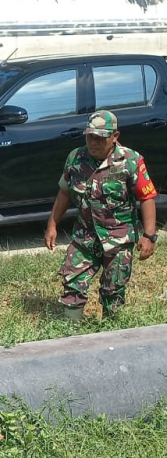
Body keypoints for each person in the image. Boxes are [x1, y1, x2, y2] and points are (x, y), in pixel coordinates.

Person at [45, 110, 158, 320]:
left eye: (100, 138)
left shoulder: (130, 160)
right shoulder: (75, 158)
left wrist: (149, 235)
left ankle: (110, 330)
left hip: (119, 237)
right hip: (85, 236)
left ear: (115, 136)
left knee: (113, 288)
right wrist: (52, 224)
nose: (94, 142)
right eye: (90, 136)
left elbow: (147, 197)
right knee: (72, 281)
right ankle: (70, 332)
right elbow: (64, 192)